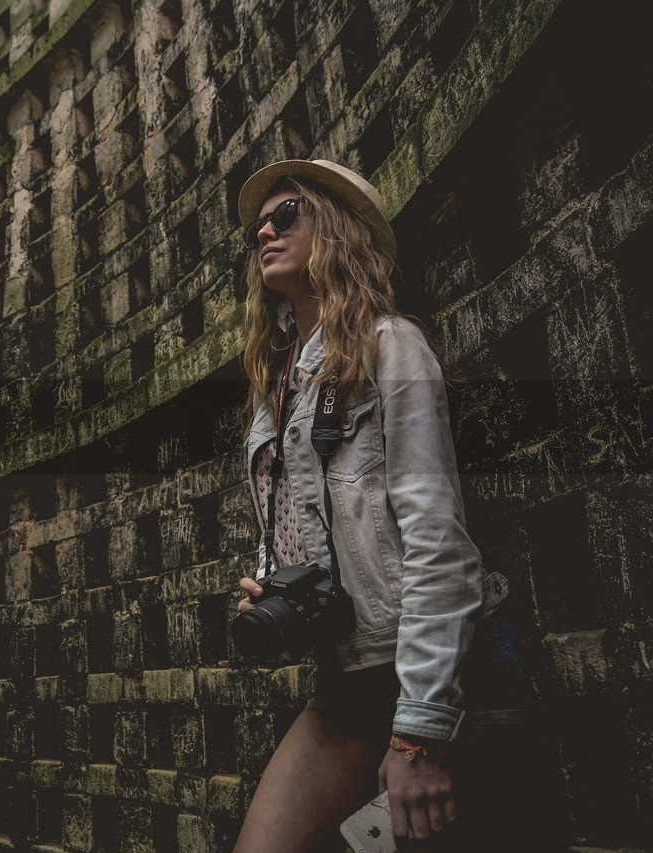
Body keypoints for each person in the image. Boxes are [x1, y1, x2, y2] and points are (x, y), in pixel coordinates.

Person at [229, 160, 487, 852]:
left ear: (336, 231)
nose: (264, 230)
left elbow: (440, 544)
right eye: (259, 222)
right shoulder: (275, 389)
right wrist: (270, 585)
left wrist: (419, 733)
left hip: (417, 669)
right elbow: (299, 528)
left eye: (286, 215)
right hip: (340, 679)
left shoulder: (392, 349)